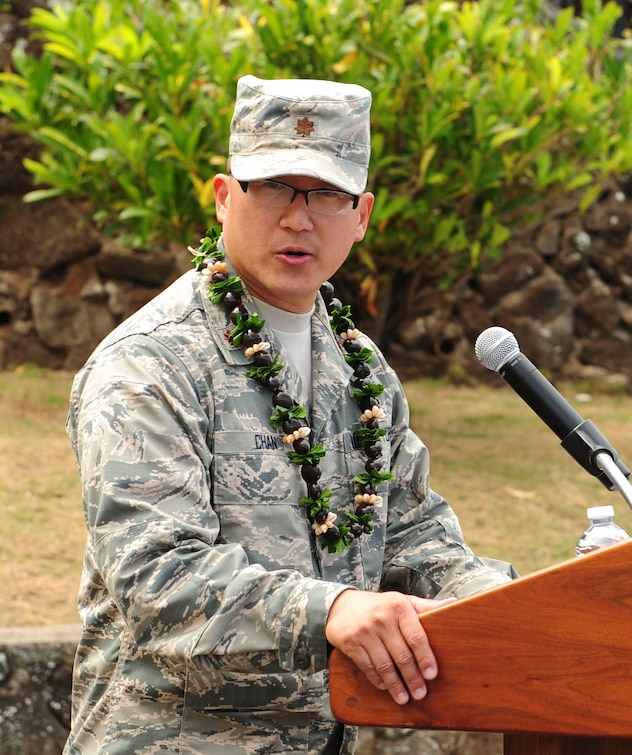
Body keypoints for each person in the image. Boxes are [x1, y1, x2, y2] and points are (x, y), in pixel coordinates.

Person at [64, 74, 515, 754]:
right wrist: (330, 609)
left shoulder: (361, 370)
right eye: (273, 185)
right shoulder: (150, 364)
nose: (298, 217)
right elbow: (158, 576)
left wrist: (517, 609)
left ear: (361, 215)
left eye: (326, 193)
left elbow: (417, 539)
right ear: (223, 197)